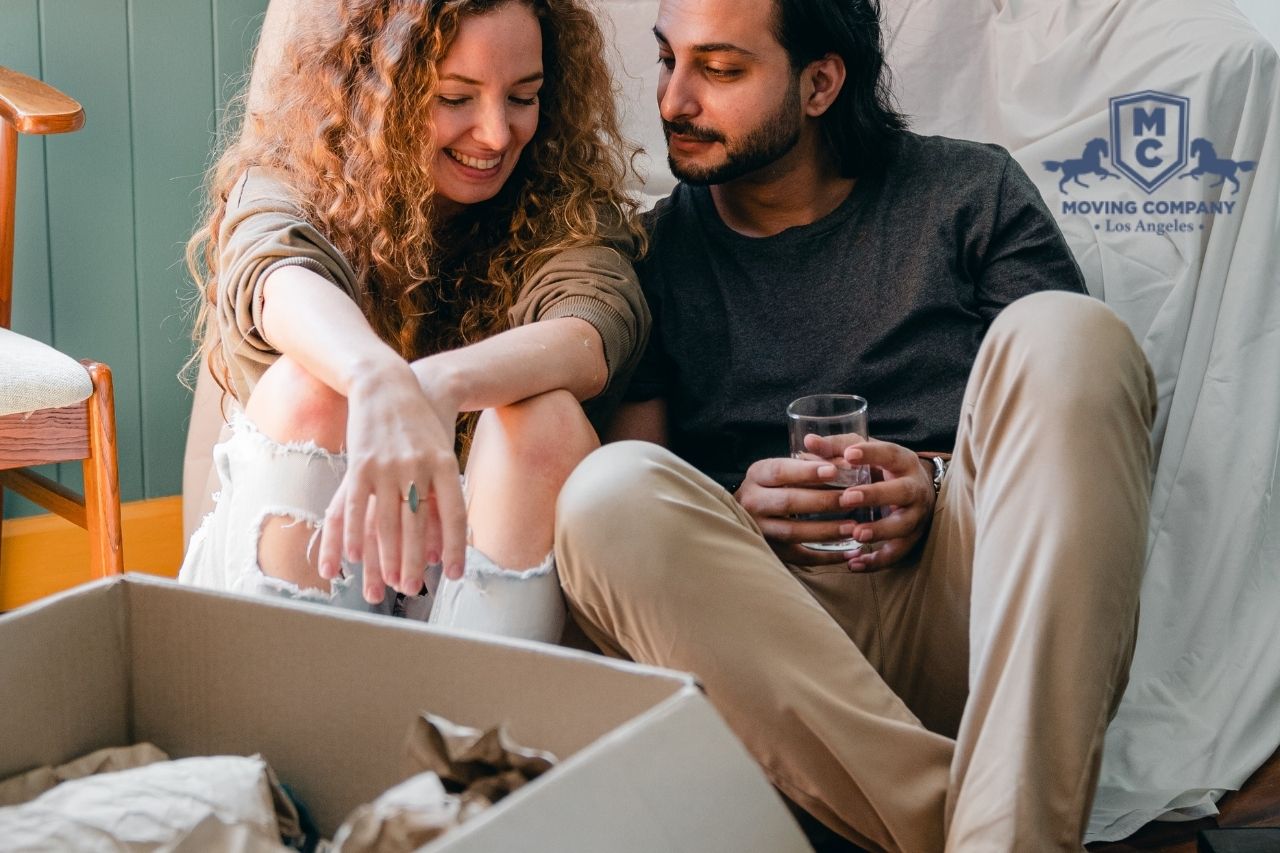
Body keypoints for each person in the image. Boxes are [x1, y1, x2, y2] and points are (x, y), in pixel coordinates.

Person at [553, 0, 1157, 849]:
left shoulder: (968, 193)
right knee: (604, 492)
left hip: (970, 607)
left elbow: (1070, 433)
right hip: (772, 645)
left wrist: (935, 477)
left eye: (720, 70)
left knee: (1071, 336)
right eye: (666, 60)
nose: (673, 101)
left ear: (820, 83)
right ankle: (991, 827)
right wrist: (737, 501)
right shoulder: (653, 254)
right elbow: (644, 473)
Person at [179, 0, 649, 643]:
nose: (495, 133)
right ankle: (287, 716)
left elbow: (592, 326)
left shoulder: (566, 202)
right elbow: (275, 273)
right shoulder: (295, 175)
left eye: (523, 97)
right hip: (291, 570)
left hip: (466, 590)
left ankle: (469, 737)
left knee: (543, 420)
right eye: (456, 98)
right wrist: (377, 381)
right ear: (378, 91)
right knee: (313, 390)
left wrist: (435, 386)